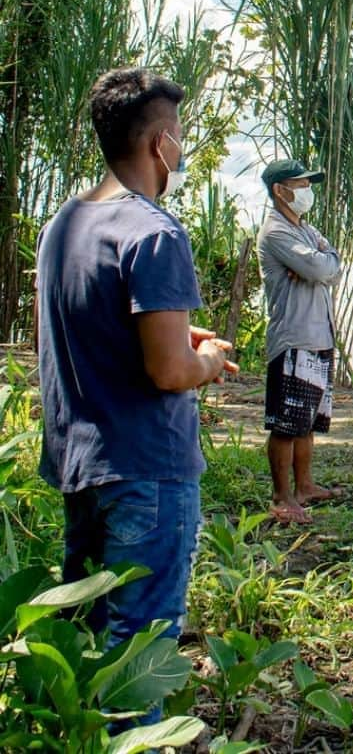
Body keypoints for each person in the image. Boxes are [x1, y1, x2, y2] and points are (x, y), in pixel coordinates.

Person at [35, 68, 234, 707]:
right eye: (180, 136)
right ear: (160, 145)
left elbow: (91, 326)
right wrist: (210, 359)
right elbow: (170, 371)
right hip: (147, 473)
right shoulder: (156, 232)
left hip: (80, 467)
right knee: (137, 656)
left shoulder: (65, 224)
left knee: (88, 644)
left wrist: (176, 334)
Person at [257, 158, 344, 525]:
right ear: (280, 190)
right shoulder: (277, 232)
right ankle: (282, 496)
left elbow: (329, 265)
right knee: (286, 422)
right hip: (293, 338)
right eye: (301, 184)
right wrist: (322, 264)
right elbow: (321, 268)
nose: (307, 191)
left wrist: (325, 261)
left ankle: (305, 485)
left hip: (318, 334)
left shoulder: (305, 231)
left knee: (308, 420)